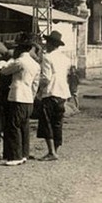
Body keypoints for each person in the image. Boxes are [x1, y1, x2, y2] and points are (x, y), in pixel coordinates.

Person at [0, 33, 41, 166]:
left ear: (21, 49)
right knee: (24, 126)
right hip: (28, 98)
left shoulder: (20, 62)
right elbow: (35, 84)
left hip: (17, 96)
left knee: (13, 126)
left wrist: (1, 64)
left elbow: (4, 71)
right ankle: (24, 153)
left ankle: (15, 156)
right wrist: (31, 97)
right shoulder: (35, 65)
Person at [36, 30, 71, 161]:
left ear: (51, 44)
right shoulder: (65, 59)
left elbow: (46, 78)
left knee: (46, 122)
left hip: (51, 92)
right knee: (57, 123)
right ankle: (55, 150)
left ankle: (51, 152)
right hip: (63, 92)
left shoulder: (47, 57)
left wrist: (38, 91)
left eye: (47, 42)